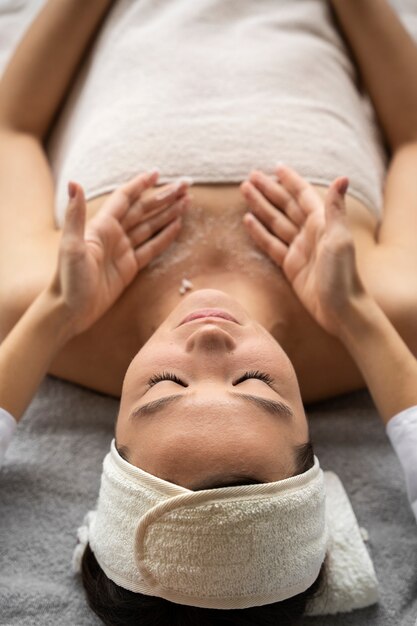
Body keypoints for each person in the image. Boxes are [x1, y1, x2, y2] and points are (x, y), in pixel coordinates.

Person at [0, 0, 416, 624]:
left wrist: (55, 309)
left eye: (165, 385)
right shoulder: (389, 309)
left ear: (115, 432)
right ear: (313, 443)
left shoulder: (43, 299)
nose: (211, 347)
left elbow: (12, 127)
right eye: (256, 384)